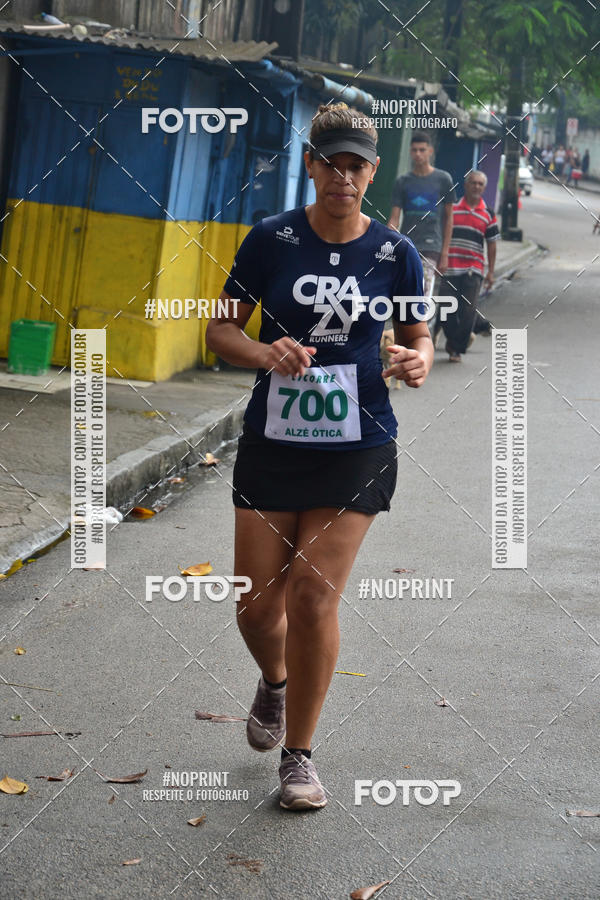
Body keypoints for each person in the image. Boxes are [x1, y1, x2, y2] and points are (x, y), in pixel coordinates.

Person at [205, 103, 433, 811]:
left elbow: (419, 338)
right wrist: (263, 350)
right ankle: (274, 683)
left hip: (358, 444)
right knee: (254, 605)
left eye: (356, 164)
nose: (343, 175)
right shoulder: (271, 241)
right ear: (310, 165)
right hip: (275, 442)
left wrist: (414, 359)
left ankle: (299, 758)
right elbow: (219, 330)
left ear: (372, 172)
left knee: (311, 596)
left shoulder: (397, 253)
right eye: (330, 161)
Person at [387, 130, 456, 341]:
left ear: (430, 151)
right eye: (414, 150)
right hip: (406, 245)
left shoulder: (443, 179)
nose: (418, 154)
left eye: (422, 150)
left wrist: (445, 253)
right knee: (401, 296)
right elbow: (394, 218)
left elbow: (449, 218)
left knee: (423, 295)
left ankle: (421, 342)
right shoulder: (403, 182)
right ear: (410, 152)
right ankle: (405, 339)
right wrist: (389, 244)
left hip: (431, 246)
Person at [438, 170, 499, 362]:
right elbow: (440, 234)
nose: (476, 187)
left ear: (484, 188)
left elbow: (492, 244)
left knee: (468, 311)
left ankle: (456, 349)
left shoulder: (488, 214)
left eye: (480, 184)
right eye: (473, 183)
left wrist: (490, 272)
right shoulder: (452, 209)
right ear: (465, 185)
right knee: (445, 309)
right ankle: (456, 339)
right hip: (450, 266)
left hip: (474, 269)